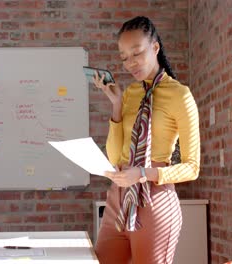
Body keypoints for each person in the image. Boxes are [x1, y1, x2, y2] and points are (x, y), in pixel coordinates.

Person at [92, 16, 200, 264]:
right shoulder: (130, 94)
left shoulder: (180, 95)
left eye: (137, 53)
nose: (130, 63)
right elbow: (115, 156)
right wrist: (116, 104)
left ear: (155, 48)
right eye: (124, 57)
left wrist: (142, 172)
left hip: (156, 203)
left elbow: (192, 168)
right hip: (118, 200)